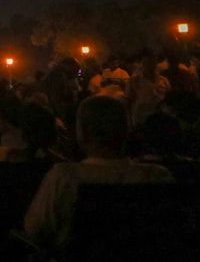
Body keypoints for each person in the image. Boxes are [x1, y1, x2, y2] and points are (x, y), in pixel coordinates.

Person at [23, 95, 174, 251]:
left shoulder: (64, 176)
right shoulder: (158, 176)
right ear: (126, 131)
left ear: (82, 133)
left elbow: (35, 229)